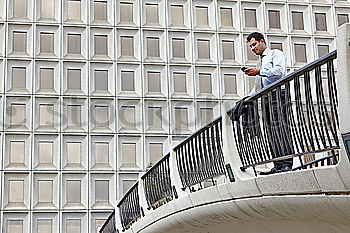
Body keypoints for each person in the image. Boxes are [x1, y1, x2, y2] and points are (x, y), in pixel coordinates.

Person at [243, 32, 294, 175]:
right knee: (270, 132)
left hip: (278, 95)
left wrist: (259, 71)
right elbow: (259, 84)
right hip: (265, 97)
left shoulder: (275, 54)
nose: (253, 48)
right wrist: (247, 97)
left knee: (281, 128)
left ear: (262, 41)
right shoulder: (259, 62)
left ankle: (286, 164)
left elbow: (279, 72)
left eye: (254, 44)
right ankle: (277, 164)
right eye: (250, 46)